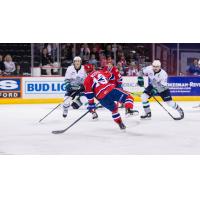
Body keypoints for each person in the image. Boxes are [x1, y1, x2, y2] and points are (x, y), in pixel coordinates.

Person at [84, 64, 137, 130]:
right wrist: (112, 84)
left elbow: (89, 94)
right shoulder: (100, 71)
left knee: (114, 110)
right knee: (128, 97)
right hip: (111, 90)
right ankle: (128, 110)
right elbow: (112, 76)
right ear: (93, 68)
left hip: (101, 97)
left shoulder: (86, 80)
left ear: (85, 71)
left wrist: (91, 105)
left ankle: (120, 123)